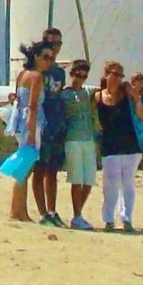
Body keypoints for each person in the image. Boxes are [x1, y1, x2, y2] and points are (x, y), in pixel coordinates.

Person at [6, 41, 52, 222]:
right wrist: (33, 133)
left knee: (22, 168)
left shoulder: (22, 75)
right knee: (25, 169)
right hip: (31, 123)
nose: (48, 61)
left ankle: (16, 209)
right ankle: (19, 212)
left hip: (20, 122)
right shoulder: (36, 77)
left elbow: (17, 98)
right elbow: (32, 107)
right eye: (45, 57)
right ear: (36, 57)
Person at [95, 61, 143, 231]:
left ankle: (127, 218)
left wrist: (136, 97)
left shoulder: (127, 95)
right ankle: (108, 219)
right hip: (110, 146)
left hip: (130, 145)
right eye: (115, 74)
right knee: (110, 184)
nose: (118, 78)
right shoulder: (98, 96)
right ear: (107, 74)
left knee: (128, 183)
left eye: (121, 75)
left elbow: (141, 115)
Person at [32, 27, 68, 226]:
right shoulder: (36, 70)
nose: (55, 48)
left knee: (53, 170)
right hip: (41, 125)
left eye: (58, 44)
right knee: (39, 169)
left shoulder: (59, 73)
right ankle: (42, 212)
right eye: (52, 43)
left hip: (57, 123)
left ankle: (52, 210)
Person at [59, 58, 99, 228]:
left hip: (88, 138)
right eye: (78, 74)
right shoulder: (64, 95)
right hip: (73, 138)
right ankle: (77, 215)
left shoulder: (88, 93)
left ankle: (78, 214)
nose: (81, 78)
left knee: (89, 180)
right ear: (72, 74)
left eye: (84, 75)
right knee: (77, 179)